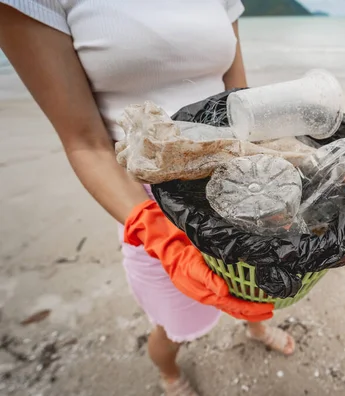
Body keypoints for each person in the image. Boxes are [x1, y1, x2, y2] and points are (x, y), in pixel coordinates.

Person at [0, 1, 295, 395]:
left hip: (235, 180)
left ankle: (256, 325)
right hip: (148, 204)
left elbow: (237, 100)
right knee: (176, 322)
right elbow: (85, 143)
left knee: (252, 284)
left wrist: (294, 160)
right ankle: (169, 373)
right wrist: (162, 238)